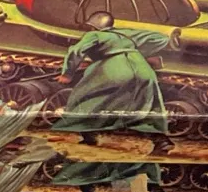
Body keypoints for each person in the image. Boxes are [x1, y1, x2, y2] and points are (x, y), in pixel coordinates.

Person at [51, 11, 171, 156]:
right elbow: (162, 38)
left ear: (93, 26)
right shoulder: (125, 34)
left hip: (115, 69)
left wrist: (67, 74)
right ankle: (161, 141)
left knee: (84, 98)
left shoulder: (94, 35)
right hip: (143, 69)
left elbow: (76, 51)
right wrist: (131, 51)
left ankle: (89, 135)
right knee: (146, 105)